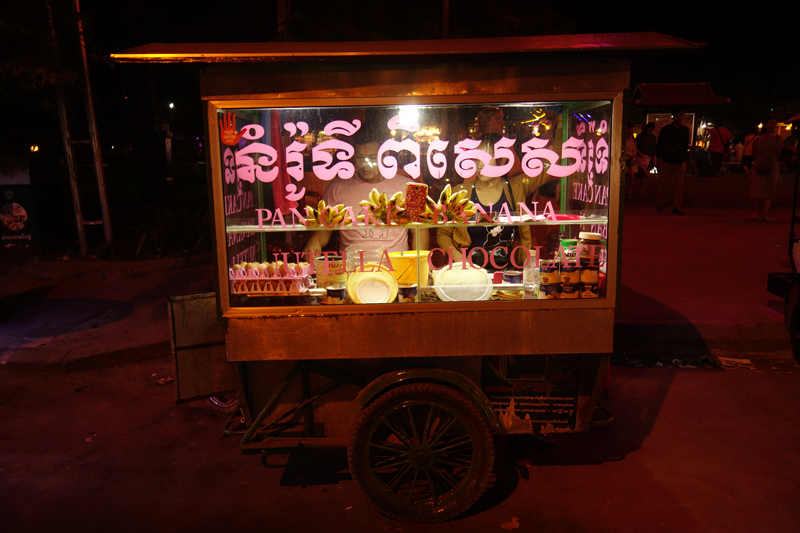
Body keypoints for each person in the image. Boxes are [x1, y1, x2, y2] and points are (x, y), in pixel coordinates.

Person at [436, 134, 554, 270]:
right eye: (476, 158)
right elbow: (443, 233)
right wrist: (461, 261)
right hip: (471, 273)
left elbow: (550, 165)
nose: (479, 165)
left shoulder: (516, 187)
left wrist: (559, 123)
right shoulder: (462, 192)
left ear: (502, 160)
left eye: (485, 158)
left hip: (509, 273)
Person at [303, 134, 429, 254]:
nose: (365, 164)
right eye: (360, 157)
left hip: (396, 266)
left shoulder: (411, 187)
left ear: (384, 155)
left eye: (372, 158)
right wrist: (315, 240)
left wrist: (418, 263)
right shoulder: (336, 187)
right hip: (352, 267)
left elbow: (421, 230)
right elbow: (325, 228)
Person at [656, 109, 691, 216]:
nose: (680, 118)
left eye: (682, 115)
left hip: (679, 160)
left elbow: (685, 146)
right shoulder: (666, 129)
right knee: (663, 183)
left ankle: (677, 205)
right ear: (674, 116)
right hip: (666, 159)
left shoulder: (685, 130)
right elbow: (660, 144)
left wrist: (683, 160)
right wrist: (659, 158)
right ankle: (661, 202)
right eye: (678, 115)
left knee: (679, 184)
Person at [750, 118, 783, 221]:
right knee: (757, 188)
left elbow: (778, 152)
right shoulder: (758, 139)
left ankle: (765, 213)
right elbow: (754, 153)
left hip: (772, 164)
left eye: (774, 123)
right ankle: (755, 211)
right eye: (770, 123)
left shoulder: (778, 138)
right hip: (760, 164)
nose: (773, 125)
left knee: (770, 189)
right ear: (765, 125)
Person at [634, 122, 657, 197]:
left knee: (647, 174)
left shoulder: (652, 137)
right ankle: (642, 189)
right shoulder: (641, 136)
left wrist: (654, 157)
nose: (650, 130)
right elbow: (636, 147)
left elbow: (654, 148)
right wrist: (641, 154)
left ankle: (643, 189)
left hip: (649, 156)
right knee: (644, 174)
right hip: (643, 156)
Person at [625, 123, 638, 200]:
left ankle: (630, 193)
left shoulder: (633, 138)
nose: (631, 131)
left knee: (632, 177)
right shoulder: (623, 138)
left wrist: (633, 158)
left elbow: (634, 148)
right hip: (625, 158)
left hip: (631, 159)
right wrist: (631, 154)